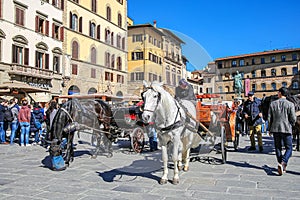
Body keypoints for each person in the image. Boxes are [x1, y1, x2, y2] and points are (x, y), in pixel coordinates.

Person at [268, 87, 296, 175]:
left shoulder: (273, 104)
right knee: (289, 148)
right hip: (286, 129)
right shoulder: (290, 104)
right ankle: (283, 163)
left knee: (278, 147)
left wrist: (269, 128)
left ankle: (280, 163)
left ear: (280, 93)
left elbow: (269, 118)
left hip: (275, 129)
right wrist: (292, 123)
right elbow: (293, 118)